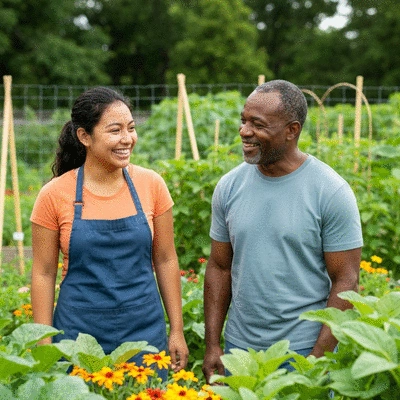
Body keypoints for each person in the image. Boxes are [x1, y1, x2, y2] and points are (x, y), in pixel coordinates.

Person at [202, 80, 363, 382]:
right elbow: (220, 267)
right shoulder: (229, 186)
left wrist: (317, 359)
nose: (244, 131)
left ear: (292, 130)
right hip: (240, 349)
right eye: (244, 120)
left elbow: (347, 280)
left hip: (301, 350)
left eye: (258, 124)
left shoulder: (329, 191)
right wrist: (213, 344)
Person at [31, 86, 188, 375]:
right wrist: (45, 342)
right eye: (115, 130)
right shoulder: (54, 195)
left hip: (144, 333)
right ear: (84, 137)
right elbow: (43, 272)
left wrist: (176, 329)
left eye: (131, 128)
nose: (127, 139)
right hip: (77, 335)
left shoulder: (151, 186)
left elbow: (166, 259)